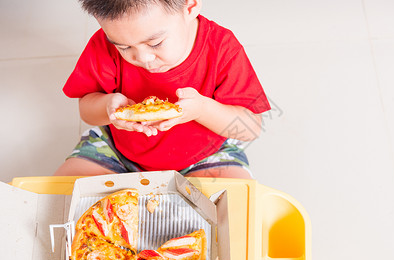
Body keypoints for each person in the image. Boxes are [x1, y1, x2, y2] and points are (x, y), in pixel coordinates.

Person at [54, 0, 271, 178]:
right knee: (62, 194)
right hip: (118, 151)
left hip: (206, 156)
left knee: (237, 209)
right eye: (124, 47)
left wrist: (202, 109)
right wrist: (108, 108)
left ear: (189, 6)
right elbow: (86, 110)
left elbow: (250, 128)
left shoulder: (221, 48)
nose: (142, 58)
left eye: (155, 43)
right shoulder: (103, 45)